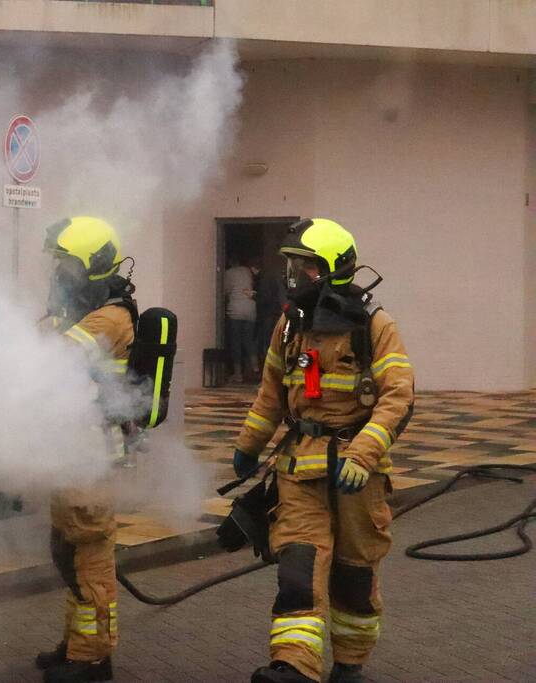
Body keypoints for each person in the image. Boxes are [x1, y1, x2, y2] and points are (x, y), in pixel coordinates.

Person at [231, 219, 414, 683]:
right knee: (298, 566)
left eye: (304, 266)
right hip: (298, 469)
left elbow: (399, 396)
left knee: (353, 576)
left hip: (356, 475)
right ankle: (294, 665)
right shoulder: (290, 325)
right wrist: (248, 447)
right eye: (291, 265)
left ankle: (349, 666)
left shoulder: (374, 325)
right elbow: (271, 392)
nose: (293, 275)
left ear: (332, 270)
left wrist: (365, 453)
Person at [35, 216, 137, 683]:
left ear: (92, 268)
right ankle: (77, 643)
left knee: (89, 557)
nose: (59, 274)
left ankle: (93, 658)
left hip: (92, 454)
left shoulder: (109, 319)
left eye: (66, 265)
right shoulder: (80, 316)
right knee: (68, 550)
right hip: (71, 450)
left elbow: (52, 362)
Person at [224, 257, 258, 383]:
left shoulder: (228, 273)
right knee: (249, 340)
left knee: (236, 342)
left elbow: (225, 291)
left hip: (235, 310)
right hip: (250, 309)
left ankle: (238, 374)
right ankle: (255, 368)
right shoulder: (247, 271)